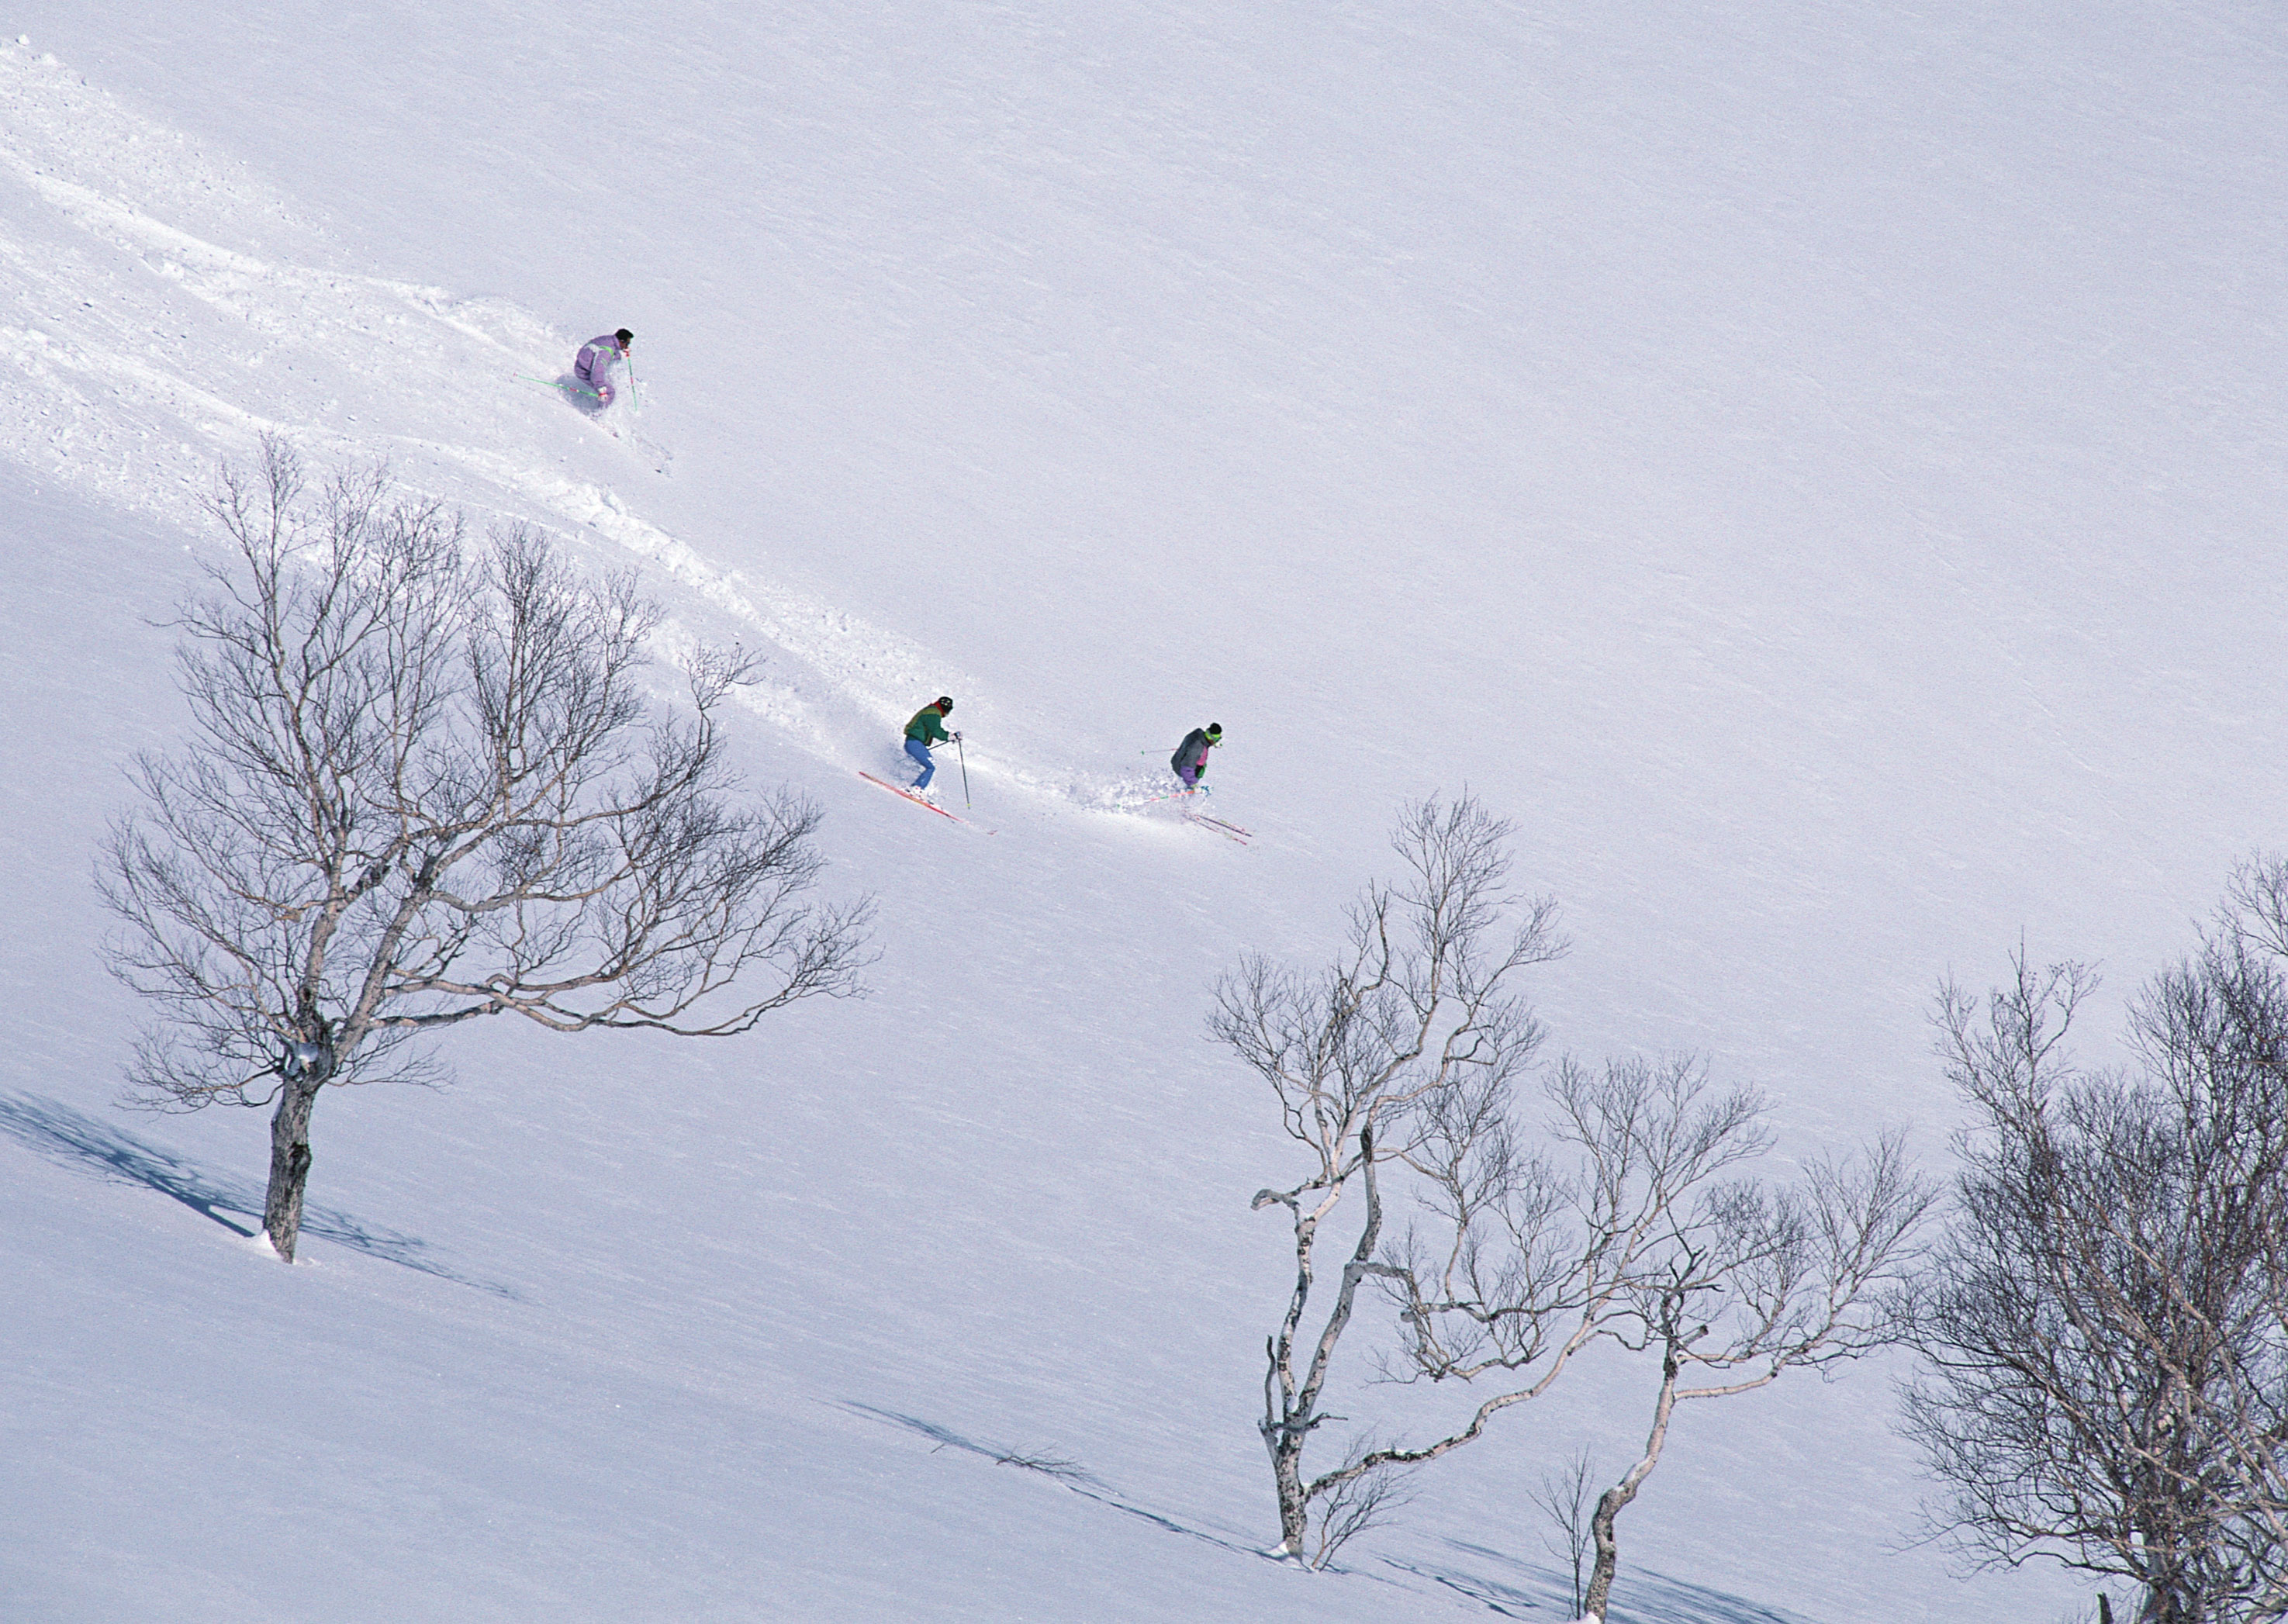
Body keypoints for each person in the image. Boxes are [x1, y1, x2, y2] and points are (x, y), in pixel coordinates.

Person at [904, 696, 959, 791]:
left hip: (915, 742)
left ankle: (909, 783)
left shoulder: (932, 710)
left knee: (922, 765)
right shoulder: (934, 713)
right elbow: (935, 730)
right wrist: (949, 736)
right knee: (931, 767)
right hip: (915, 743)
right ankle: (917, 788)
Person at [574, 329, 634, 406]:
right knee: (609, 392)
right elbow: (598, 369)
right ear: (621, 341)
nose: (627, 347)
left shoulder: (609, 340)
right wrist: (601, 388)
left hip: (584, 364)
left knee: (610, 380)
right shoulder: (606, 351)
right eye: (627, 344)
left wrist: (619, 356)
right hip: (583, 371)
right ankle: (599, 414)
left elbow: (608, 354)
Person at [1170, 723, 1222, 791]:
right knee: (1190, 788)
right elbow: (1187, 768)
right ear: (1211, 738)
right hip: (1185, 772)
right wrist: (1193, 784)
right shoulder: (1196, 748)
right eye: (1216, 740)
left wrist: (1213, 743)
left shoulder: (1199, 735)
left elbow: (1205, 741)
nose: (1217, 741)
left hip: (1181, 761)